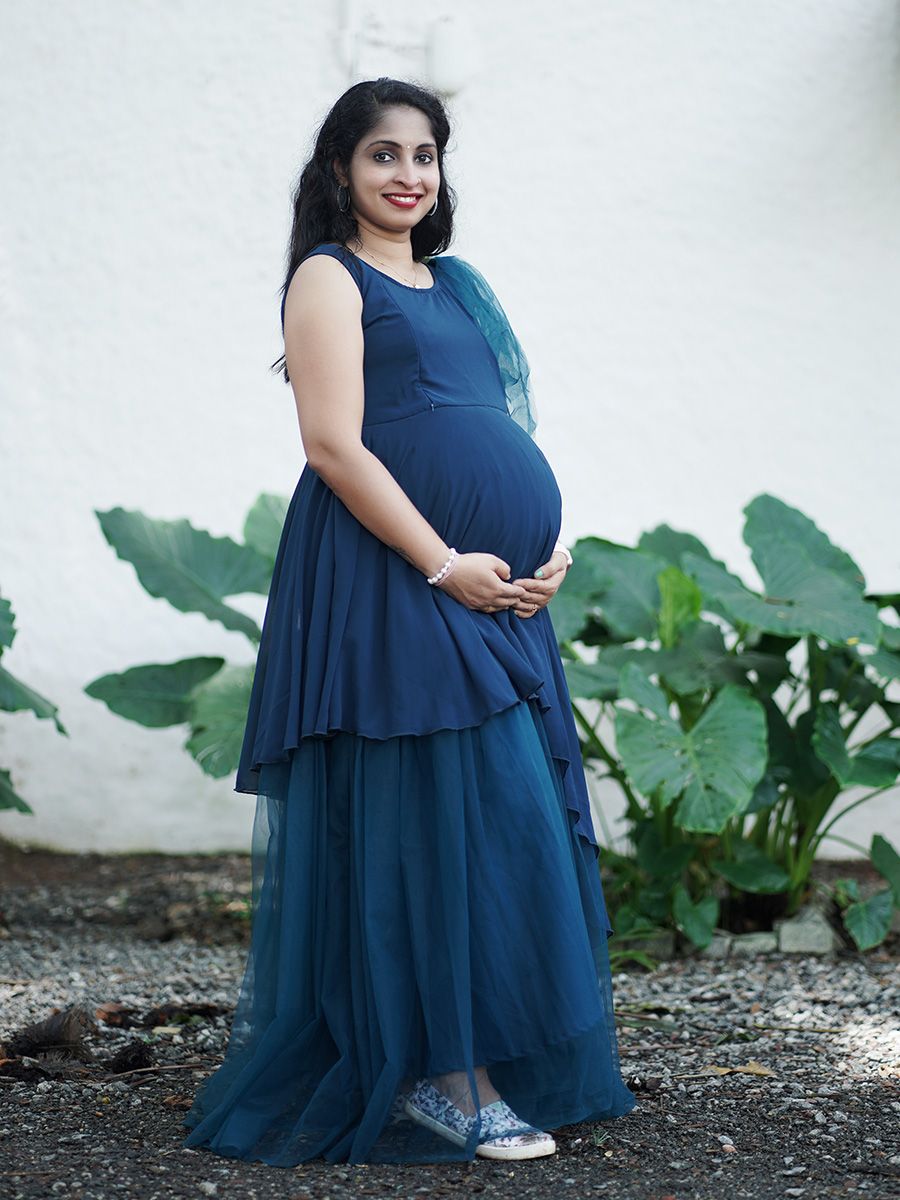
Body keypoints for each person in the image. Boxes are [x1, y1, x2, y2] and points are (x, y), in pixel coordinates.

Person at [182, 76, 636, 1167]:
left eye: (425, 156)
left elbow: (497, 422)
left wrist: (543, 554)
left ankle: (489, 1060)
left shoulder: (459, 283)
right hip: (395, 578)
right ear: (340, 167)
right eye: (384, 154)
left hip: (492, 589)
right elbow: (334, 446)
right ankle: (447, 1078)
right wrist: (442, 563)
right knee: (442, 823)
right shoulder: (327, 281)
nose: (408, 176)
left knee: (510, 822)